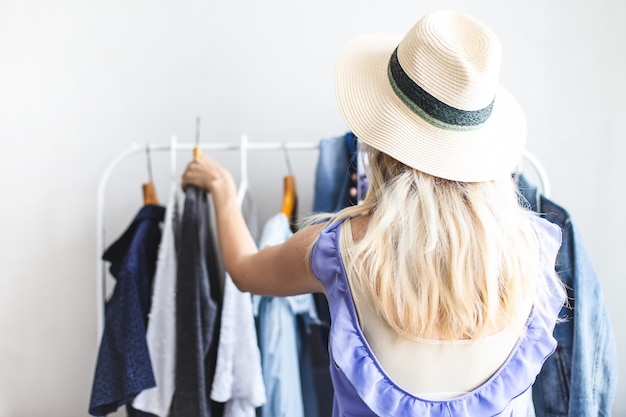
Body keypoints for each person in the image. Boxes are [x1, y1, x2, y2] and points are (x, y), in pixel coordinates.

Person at [182, 10, 566, 417]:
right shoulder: (535, 249)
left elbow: (245, 271)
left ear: (381, 145)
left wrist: (224, 191)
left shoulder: (342, 249)